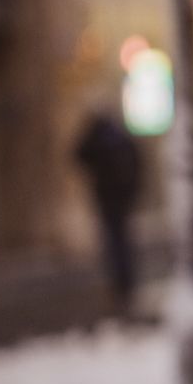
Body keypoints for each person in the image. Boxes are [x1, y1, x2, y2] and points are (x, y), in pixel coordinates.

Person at [72, 112, 144, 317]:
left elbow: (78, 154)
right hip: (121, 200)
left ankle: (120, 285)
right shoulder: (121, 139)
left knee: (114, 243)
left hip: (108, 200)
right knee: (122, 242)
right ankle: (125, 283)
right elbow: (138, 162)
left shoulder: (98, 140)